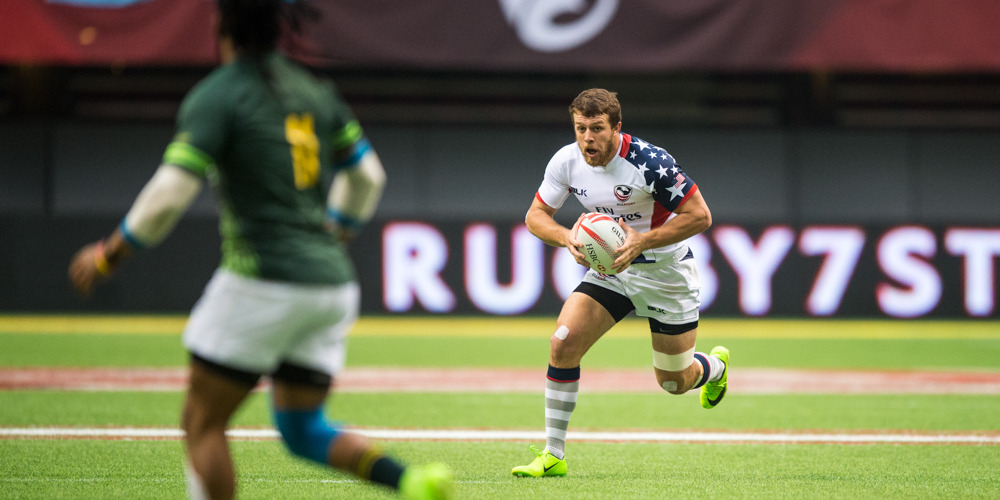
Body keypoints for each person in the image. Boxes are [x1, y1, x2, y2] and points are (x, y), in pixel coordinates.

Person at [67, 1, 452, 499]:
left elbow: (167, 197)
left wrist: (107, 254)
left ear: (219, 25)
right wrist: (334, 231)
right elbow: (367, 176)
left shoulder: (219, 94)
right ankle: (410, 481)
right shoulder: (314, 90)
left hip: (262, 277)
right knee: (302, 429)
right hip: (329, 284)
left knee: (202, 421)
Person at [512, 89, 729, 477]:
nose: (587, 138)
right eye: (580, 128)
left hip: (666, 275)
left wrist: (642, 240)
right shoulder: (566, 161)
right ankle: (553, 455)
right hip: (611, 272)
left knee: (674, 384)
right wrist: (566, 238)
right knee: (562, 343)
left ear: (617, 128)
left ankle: (713, 368)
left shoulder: (649, 163)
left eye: (597, 129)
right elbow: (535, 215)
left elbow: (700, 216)